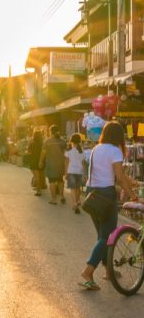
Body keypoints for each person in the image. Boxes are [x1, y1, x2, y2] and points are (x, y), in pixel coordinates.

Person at [79, 121, 137, 290]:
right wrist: (133, 195)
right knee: (107, 236)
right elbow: (118, 177)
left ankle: (108, 271)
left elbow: (113, 174)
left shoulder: (97, 149)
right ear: (119, 136)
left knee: (103, 237)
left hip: (92, 194)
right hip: (105, 195)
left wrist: (130, 182)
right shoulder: (115, 150)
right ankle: (88, 271)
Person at [39, 125, 66, 205]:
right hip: (60, 164)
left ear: (51, 132)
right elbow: (65, 153)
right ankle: (62, 196)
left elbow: (43, 152)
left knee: (52, 181)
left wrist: (40, 161)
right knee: (60, 180)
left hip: (51, 164)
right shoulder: (62, 141)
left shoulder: (47, 141)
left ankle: (53, 199)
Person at [65, 133, 86, 214]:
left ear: (71, 141)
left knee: (72, 188)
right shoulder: (82, 151)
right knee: (78, 188)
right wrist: (84, 174)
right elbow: (84, 163)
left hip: (71, 171)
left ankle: (75, 204)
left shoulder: (69, 151)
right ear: (80, 141)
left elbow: (66, 162)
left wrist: (65, 173)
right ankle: (77, 201)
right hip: (79, 172)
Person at [27, 129, 44, 196]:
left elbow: (28, 151)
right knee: (40, 175)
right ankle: (40, 187)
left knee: (36, 177)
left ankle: (38, 191)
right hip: (41, 161)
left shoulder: (32, 143)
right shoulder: (42, 143)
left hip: (33, 161)